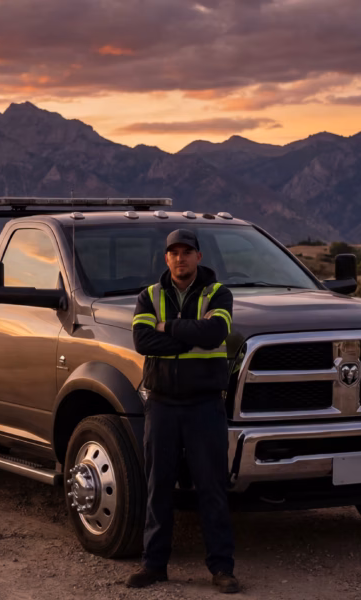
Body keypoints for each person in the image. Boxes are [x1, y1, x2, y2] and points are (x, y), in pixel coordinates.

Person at [126, 228, 239, 594]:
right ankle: (154, 565)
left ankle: (222, 569)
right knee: (158, 487)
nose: (180, 258)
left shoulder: (218, 293)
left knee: (212, 488)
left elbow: (214, 334)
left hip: (205, 405)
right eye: (173, 252)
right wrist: (189, 332)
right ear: (166, 258)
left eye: (187, 251)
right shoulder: (150, 296)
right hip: (161, 405)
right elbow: (143, 340)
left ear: (198, 257)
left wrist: (168, 328)